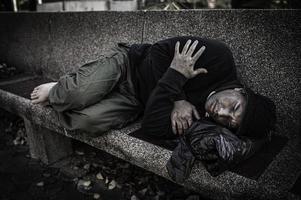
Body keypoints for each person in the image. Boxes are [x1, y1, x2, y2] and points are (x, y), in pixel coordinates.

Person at [30, 36, 275, 139]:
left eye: (229, 123)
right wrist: (178, 98)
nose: (221, 113)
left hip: (136, 102)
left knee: (85, 122)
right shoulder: (219, 59)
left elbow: (150, 128)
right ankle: (61, 88)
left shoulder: (205, 121)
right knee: (74, 94)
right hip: (128, 65)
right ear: (241, 91)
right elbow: (158, 50)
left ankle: (77, 94)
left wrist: (175, 76)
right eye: (234, 107)